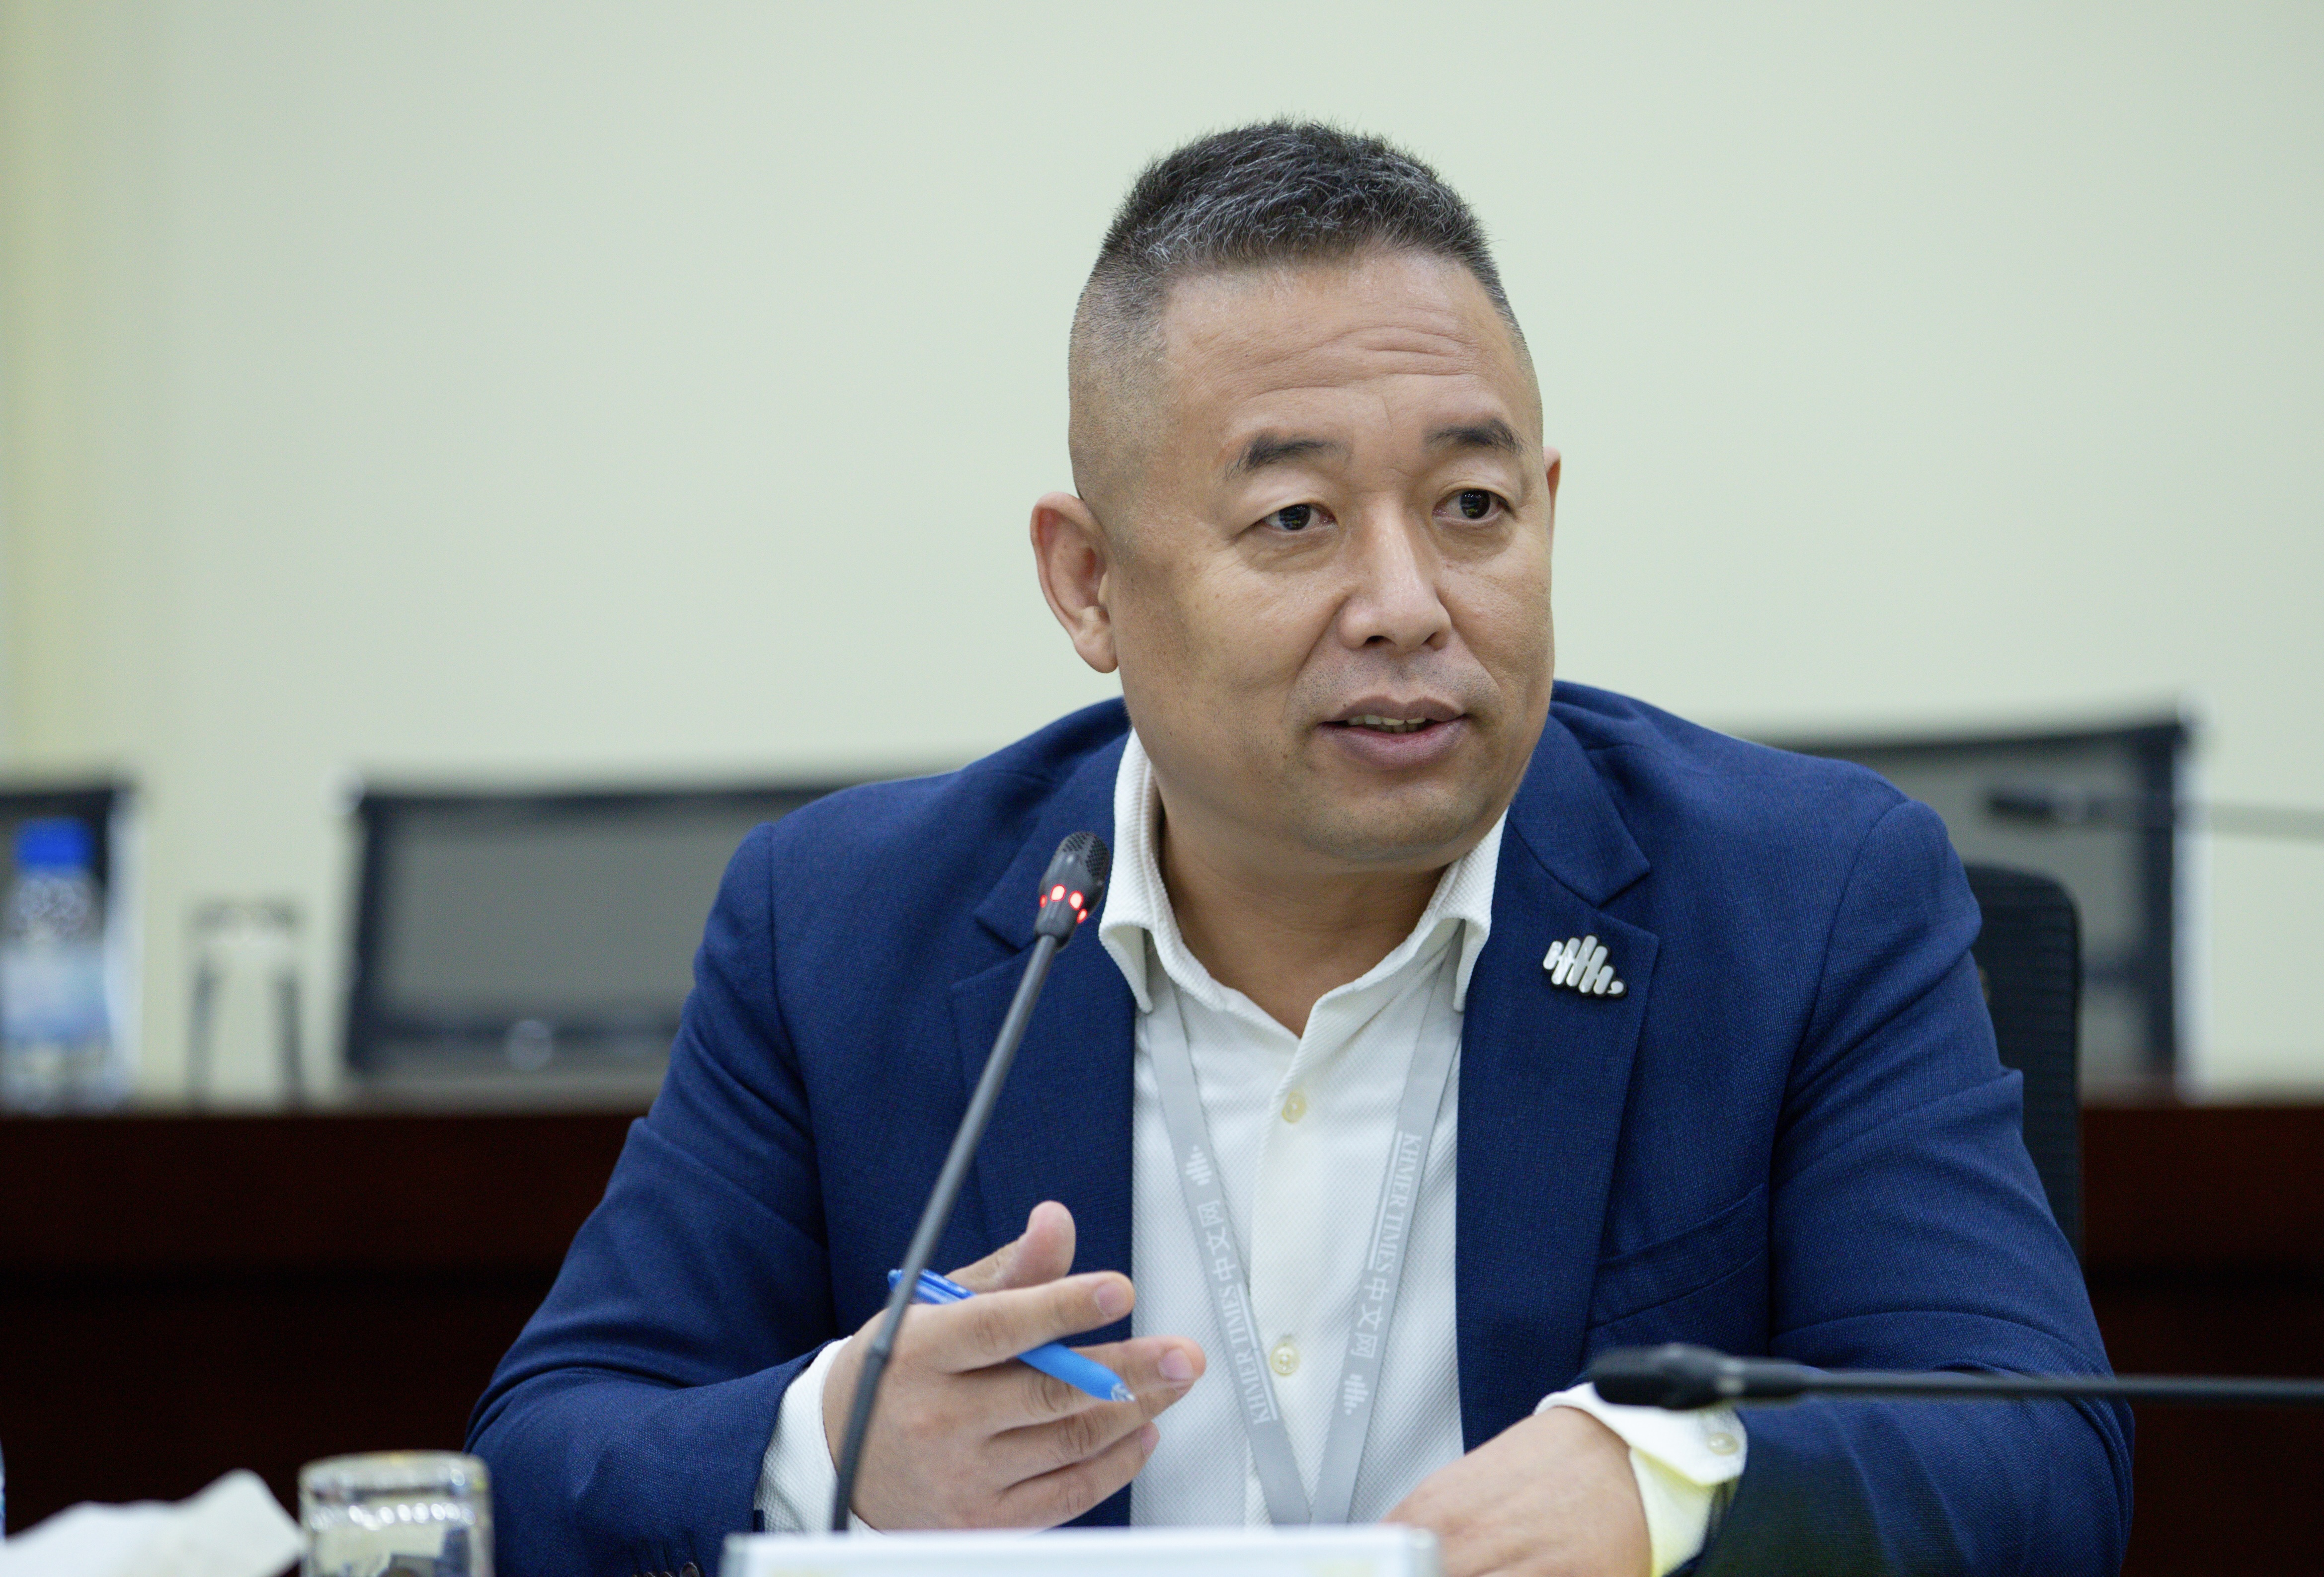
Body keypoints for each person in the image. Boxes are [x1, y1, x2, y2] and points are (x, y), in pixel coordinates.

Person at [469, 122, 2132, 1577]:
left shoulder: (1803, 899)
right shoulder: (840, 928)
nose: (1407, 604)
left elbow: (2036, 1453)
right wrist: (826, 1449)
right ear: (1089, 585)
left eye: (1472, 507)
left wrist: (1666, 1482)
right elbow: (539, 1462)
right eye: (1294, 520)